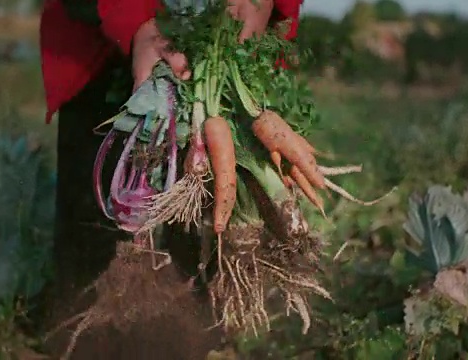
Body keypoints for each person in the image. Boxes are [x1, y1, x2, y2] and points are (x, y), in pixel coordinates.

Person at [39, 0, 302, 356]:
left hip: (218, 50)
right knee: (91, 262)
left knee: (193, 273)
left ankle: (188, 338)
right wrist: (136, 23)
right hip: (99, 42)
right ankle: (85, 336)